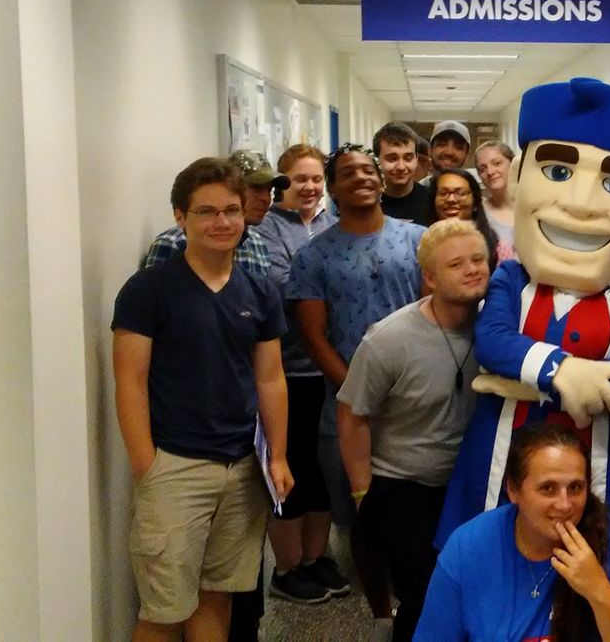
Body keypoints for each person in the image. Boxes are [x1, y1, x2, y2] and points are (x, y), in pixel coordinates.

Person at [438, 78, 610, 553]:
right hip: (503, 463)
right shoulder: (512, 279)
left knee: (596, 576)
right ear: (517, 177)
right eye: (557, 172)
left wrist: (517, 379)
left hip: (601, 469)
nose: (579, 203)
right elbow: (493, 341)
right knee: (490, 570)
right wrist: (563, 371)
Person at [111, 157, 293, 642]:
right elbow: (129, 381)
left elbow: (271, 379)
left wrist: (278, 456)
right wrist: (145, 465)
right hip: (175, 466)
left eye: (231, 211)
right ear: (180, 217)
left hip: (242, 467)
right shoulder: (148, 291)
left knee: (219, 596)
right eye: (207, 212)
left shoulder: (260, 289)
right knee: (164, 610)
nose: (222, 222)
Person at [338, 219, 491, 642]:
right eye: (456, 264)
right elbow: (352, 413)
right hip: (404, 486)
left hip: (470, 485)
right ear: (429, 277)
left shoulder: (497, 330)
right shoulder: (388, 339)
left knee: (472, 593)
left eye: (478, 259)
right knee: (425, 598)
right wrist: (362, 491)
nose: (472, 270)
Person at [418, 422, 610, 641]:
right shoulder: (469, 547)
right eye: (548, 488)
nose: (565, 504)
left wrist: (598, 591)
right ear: (513, 490)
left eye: (575, 488)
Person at [286, 144, 427, 531]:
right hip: (347, 402)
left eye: (368, 170)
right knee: (358, 514)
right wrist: (357, 390)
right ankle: (371, 590)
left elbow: (435, 314)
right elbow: (312, 335)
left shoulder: (419, 240)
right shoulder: (314, 256)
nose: (361, 177)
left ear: (381, 182)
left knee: (418, 508)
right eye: (348, 173)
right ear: (332, 189)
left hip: (415, 399)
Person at [254, 145, 348, 605]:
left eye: (316, 179)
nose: (309, 187)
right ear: (281, 183)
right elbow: (282, 285)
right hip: (286, 370)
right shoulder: (266, 229)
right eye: (299, 179)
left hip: (329, 368)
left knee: (324, 468)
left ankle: (316, 557)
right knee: (289, 467)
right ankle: (287, 567)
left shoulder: (333, 224)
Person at [141, 149, 287, 276]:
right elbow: (153, 298)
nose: (265, 198)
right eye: (256, 188)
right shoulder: (174, 243)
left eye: (269, 190)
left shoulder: (257, 244)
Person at [428, 168, 506, 270]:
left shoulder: (497, 248)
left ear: (475, 203)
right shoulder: (422, 243)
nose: (451, 199)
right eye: (443, 193)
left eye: (460, 193)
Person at [376, 122, 434, 226]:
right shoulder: (366, 203)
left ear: (416, 159)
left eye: (408, 158)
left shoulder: (432, 201)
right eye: (392, 159)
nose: (401, 167)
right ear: (376, 160)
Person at [475, 140, 517, 255]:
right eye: (482, 169)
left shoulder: (533, 206)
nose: (490, 172)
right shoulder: (479, 213)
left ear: (513, 163)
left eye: (497, 163)